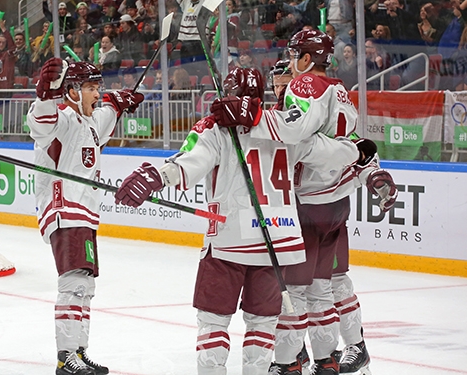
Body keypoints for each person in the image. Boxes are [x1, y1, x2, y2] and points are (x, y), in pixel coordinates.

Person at [114, 68, 368, 375]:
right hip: (279, 242)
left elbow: (188, 165)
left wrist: (155, 177)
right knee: (261, 327)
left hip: (229, 242)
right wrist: (357, 149)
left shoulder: (217, 127)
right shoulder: (286, 129)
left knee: (213, 323)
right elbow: (342, 153)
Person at [217, 30, 397, 375]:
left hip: (306, 207)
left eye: (287, 70)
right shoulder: (338, 92)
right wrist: (369, 170)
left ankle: (294, 360)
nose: (281, 83)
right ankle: (328, 355)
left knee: (300, 290)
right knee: (325, 286)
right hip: (334, 205)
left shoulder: (303, 91)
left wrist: (249, 118)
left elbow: (297, 136)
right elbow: (351, 143)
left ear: (301, 62)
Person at [26, 59, 144, 375]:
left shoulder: (90, 121)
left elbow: (111, 111)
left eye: (97, 88)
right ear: (72, 91)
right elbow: (40, 124)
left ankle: (78, 350)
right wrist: (45, 96)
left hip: (86, 215)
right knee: (74, 283)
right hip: (64, 209)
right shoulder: (61, 118)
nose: (97, 94)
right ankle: (66, 357)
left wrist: (122, 101)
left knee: (85, 286)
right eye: (91, 88)